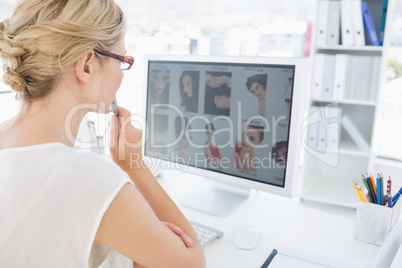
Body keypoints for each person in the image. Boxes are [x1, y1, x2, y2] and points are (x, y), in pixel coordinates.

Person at [0, 1, 205, 267]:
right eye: (122, 60)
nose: (121, 75)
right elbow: (192, 262)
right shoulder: (89, 179)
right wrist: (134, 167)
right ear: (86, 65)